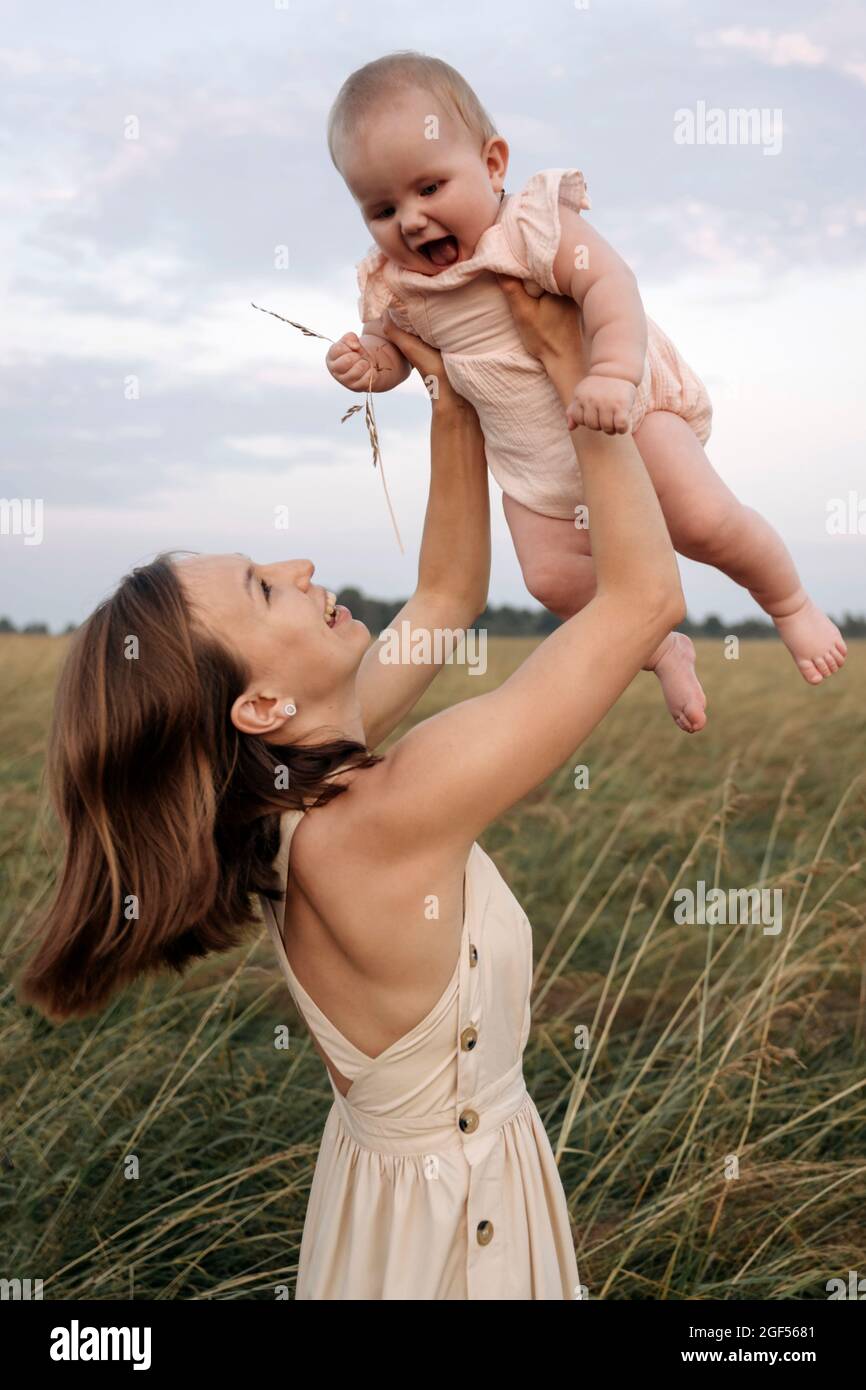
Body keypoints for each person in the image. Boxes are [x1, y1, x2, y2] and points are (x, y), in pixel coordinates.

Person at [20, 279, 684, 1300]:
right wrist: (570, 360)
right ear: (257, 704)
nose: (301, 561)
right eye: (262, 587)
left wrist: (450, 385)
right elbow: (642, 600)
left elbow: (449, 593)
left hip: (385, 1210)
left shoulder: (293, 792)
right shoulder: (385, 813)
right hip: (459, 1230)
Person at [325, 50, 847, 735]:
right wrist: (371, 365)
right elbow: (397, 350)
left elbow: (610, 285)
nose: (412, 221)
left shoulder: (532, 227)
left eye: (429, 188)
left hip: (626, 412)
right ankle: (660, 648)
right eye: (383, 208)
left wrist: (611, 373)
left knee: (702, 520)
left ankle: (788, 601)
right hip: (532, 469)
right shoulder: (393, 283)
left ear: (492, 164)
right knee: (550, 579)